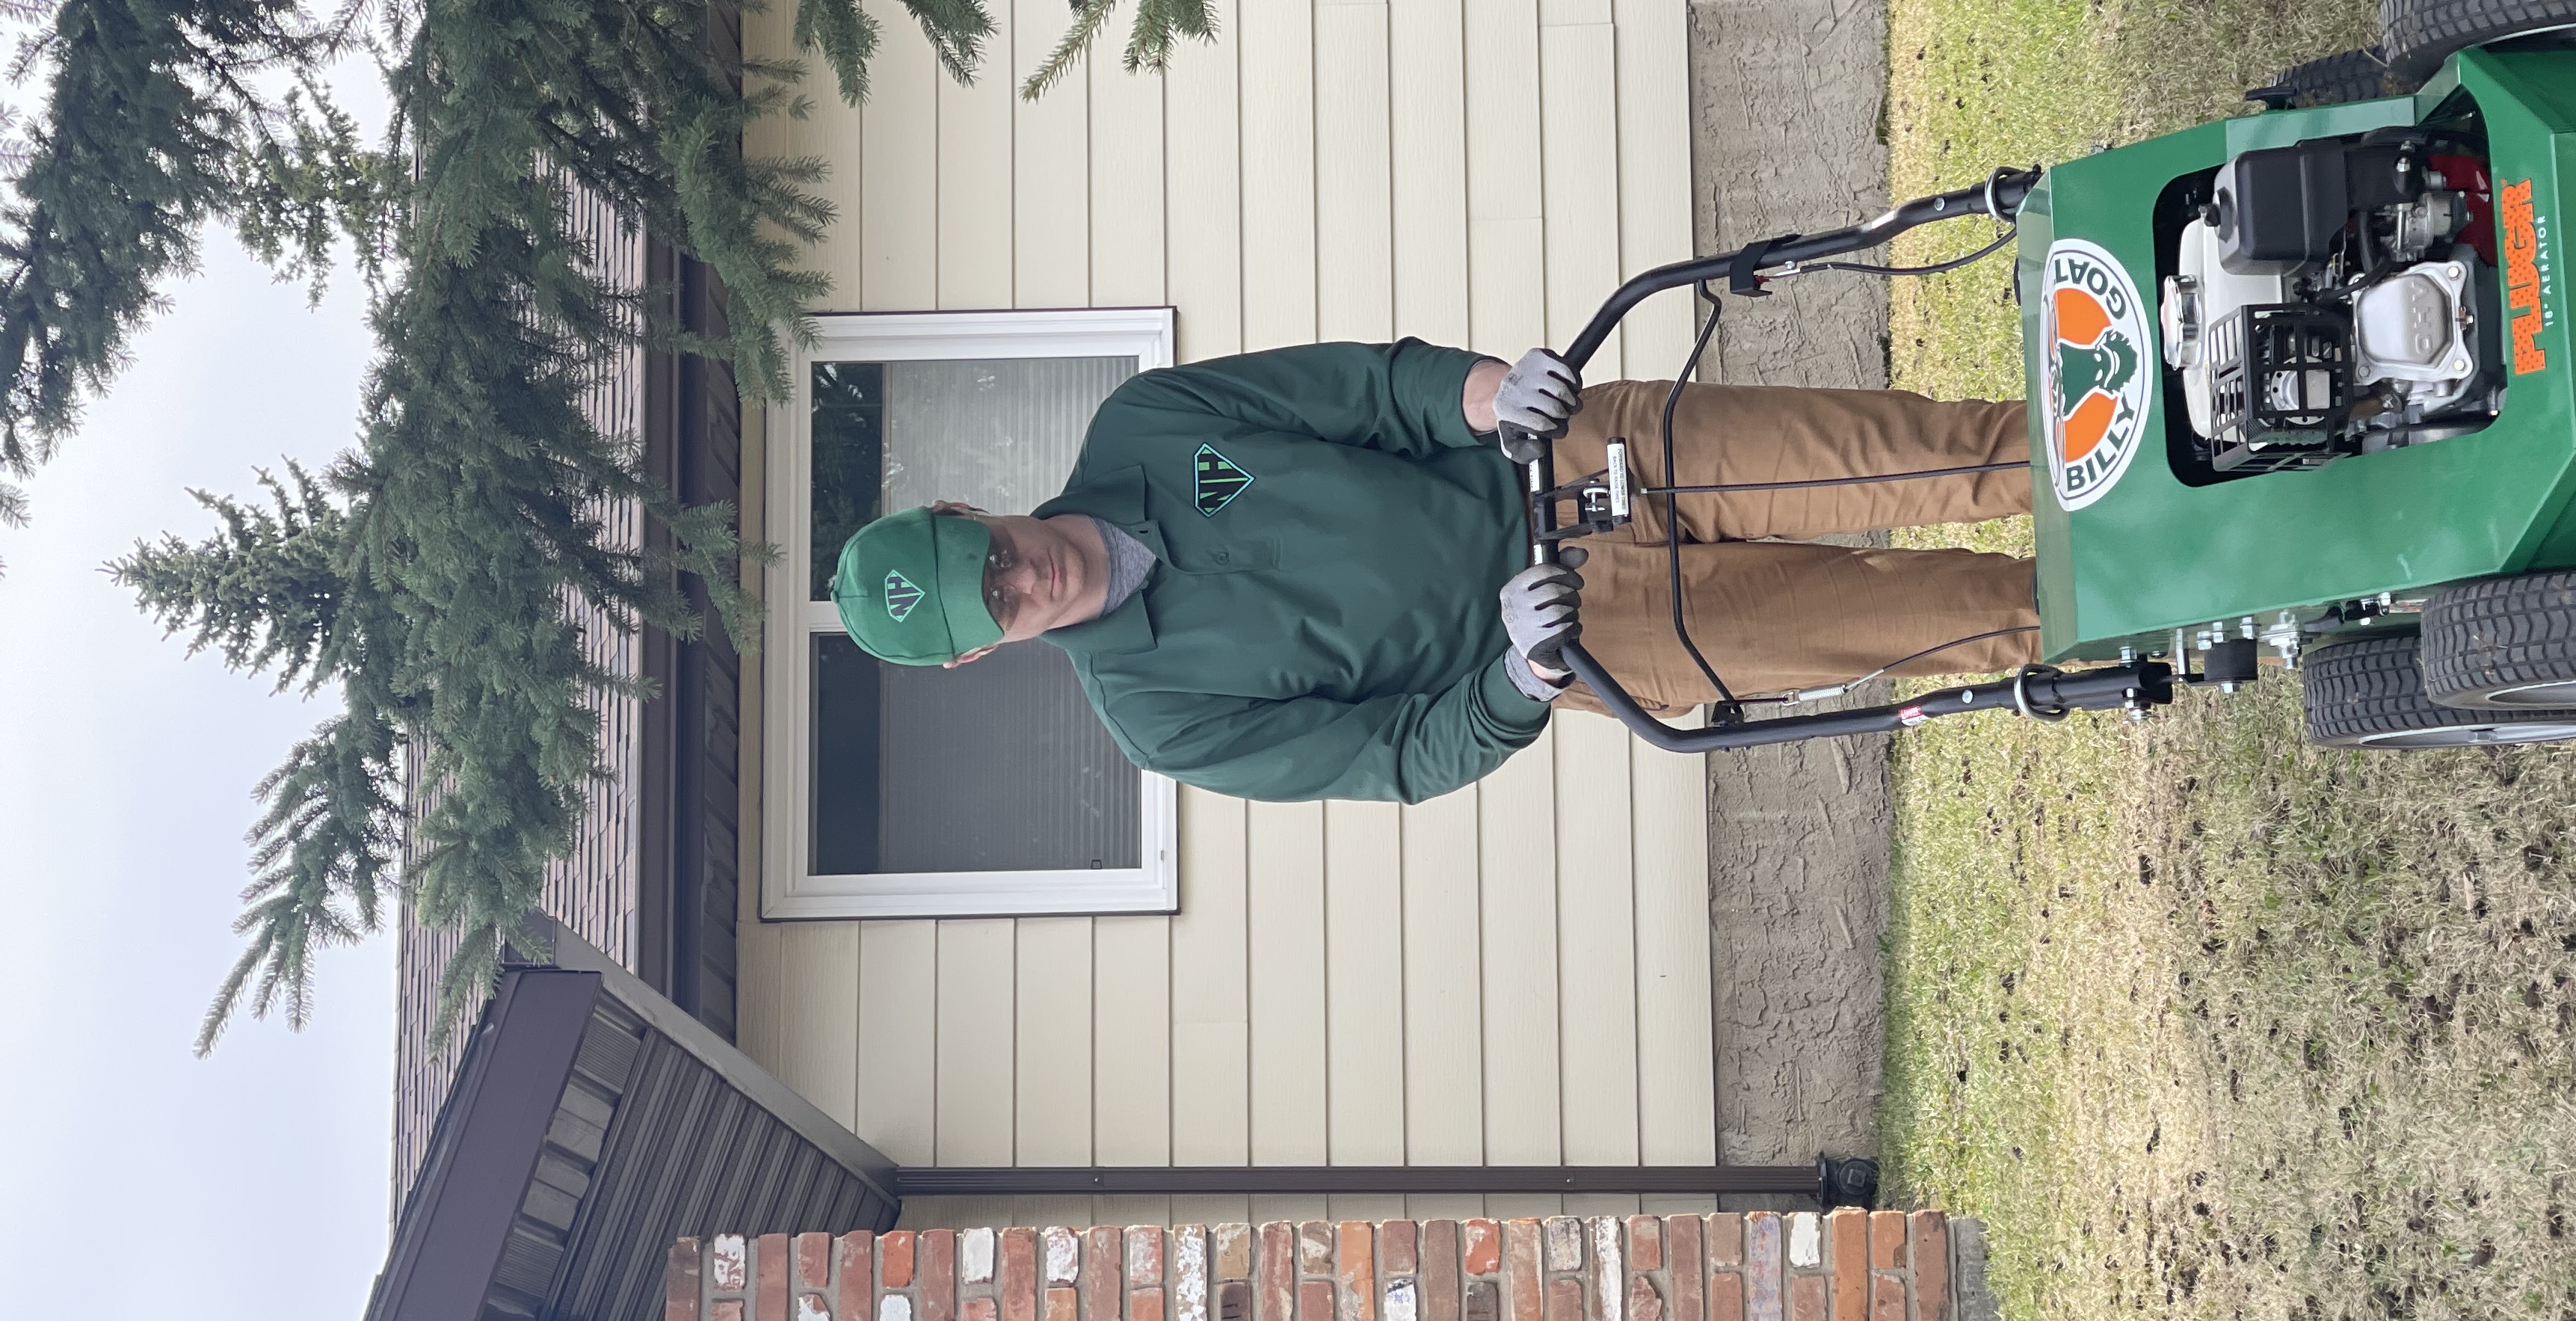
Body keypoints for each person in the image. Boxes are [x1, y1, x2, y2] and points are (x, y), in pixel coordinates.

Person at [829, 339, 2037, 804]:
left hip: (1572, 454)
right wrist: (1517, 677)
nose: (1022, 578)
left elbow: (1361, 390)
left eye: (990, 554)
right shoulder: (1160, 717)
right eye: (995, 604)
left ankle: (2117, 448)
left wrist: (1486, 393)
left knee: (1923, 452)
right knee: (1931, 624)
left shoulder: (1143, 424)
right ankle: (2117, 608)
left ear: (966, 509)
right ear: (980, 653)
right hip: (1594, 634)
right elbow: (1395, 754)